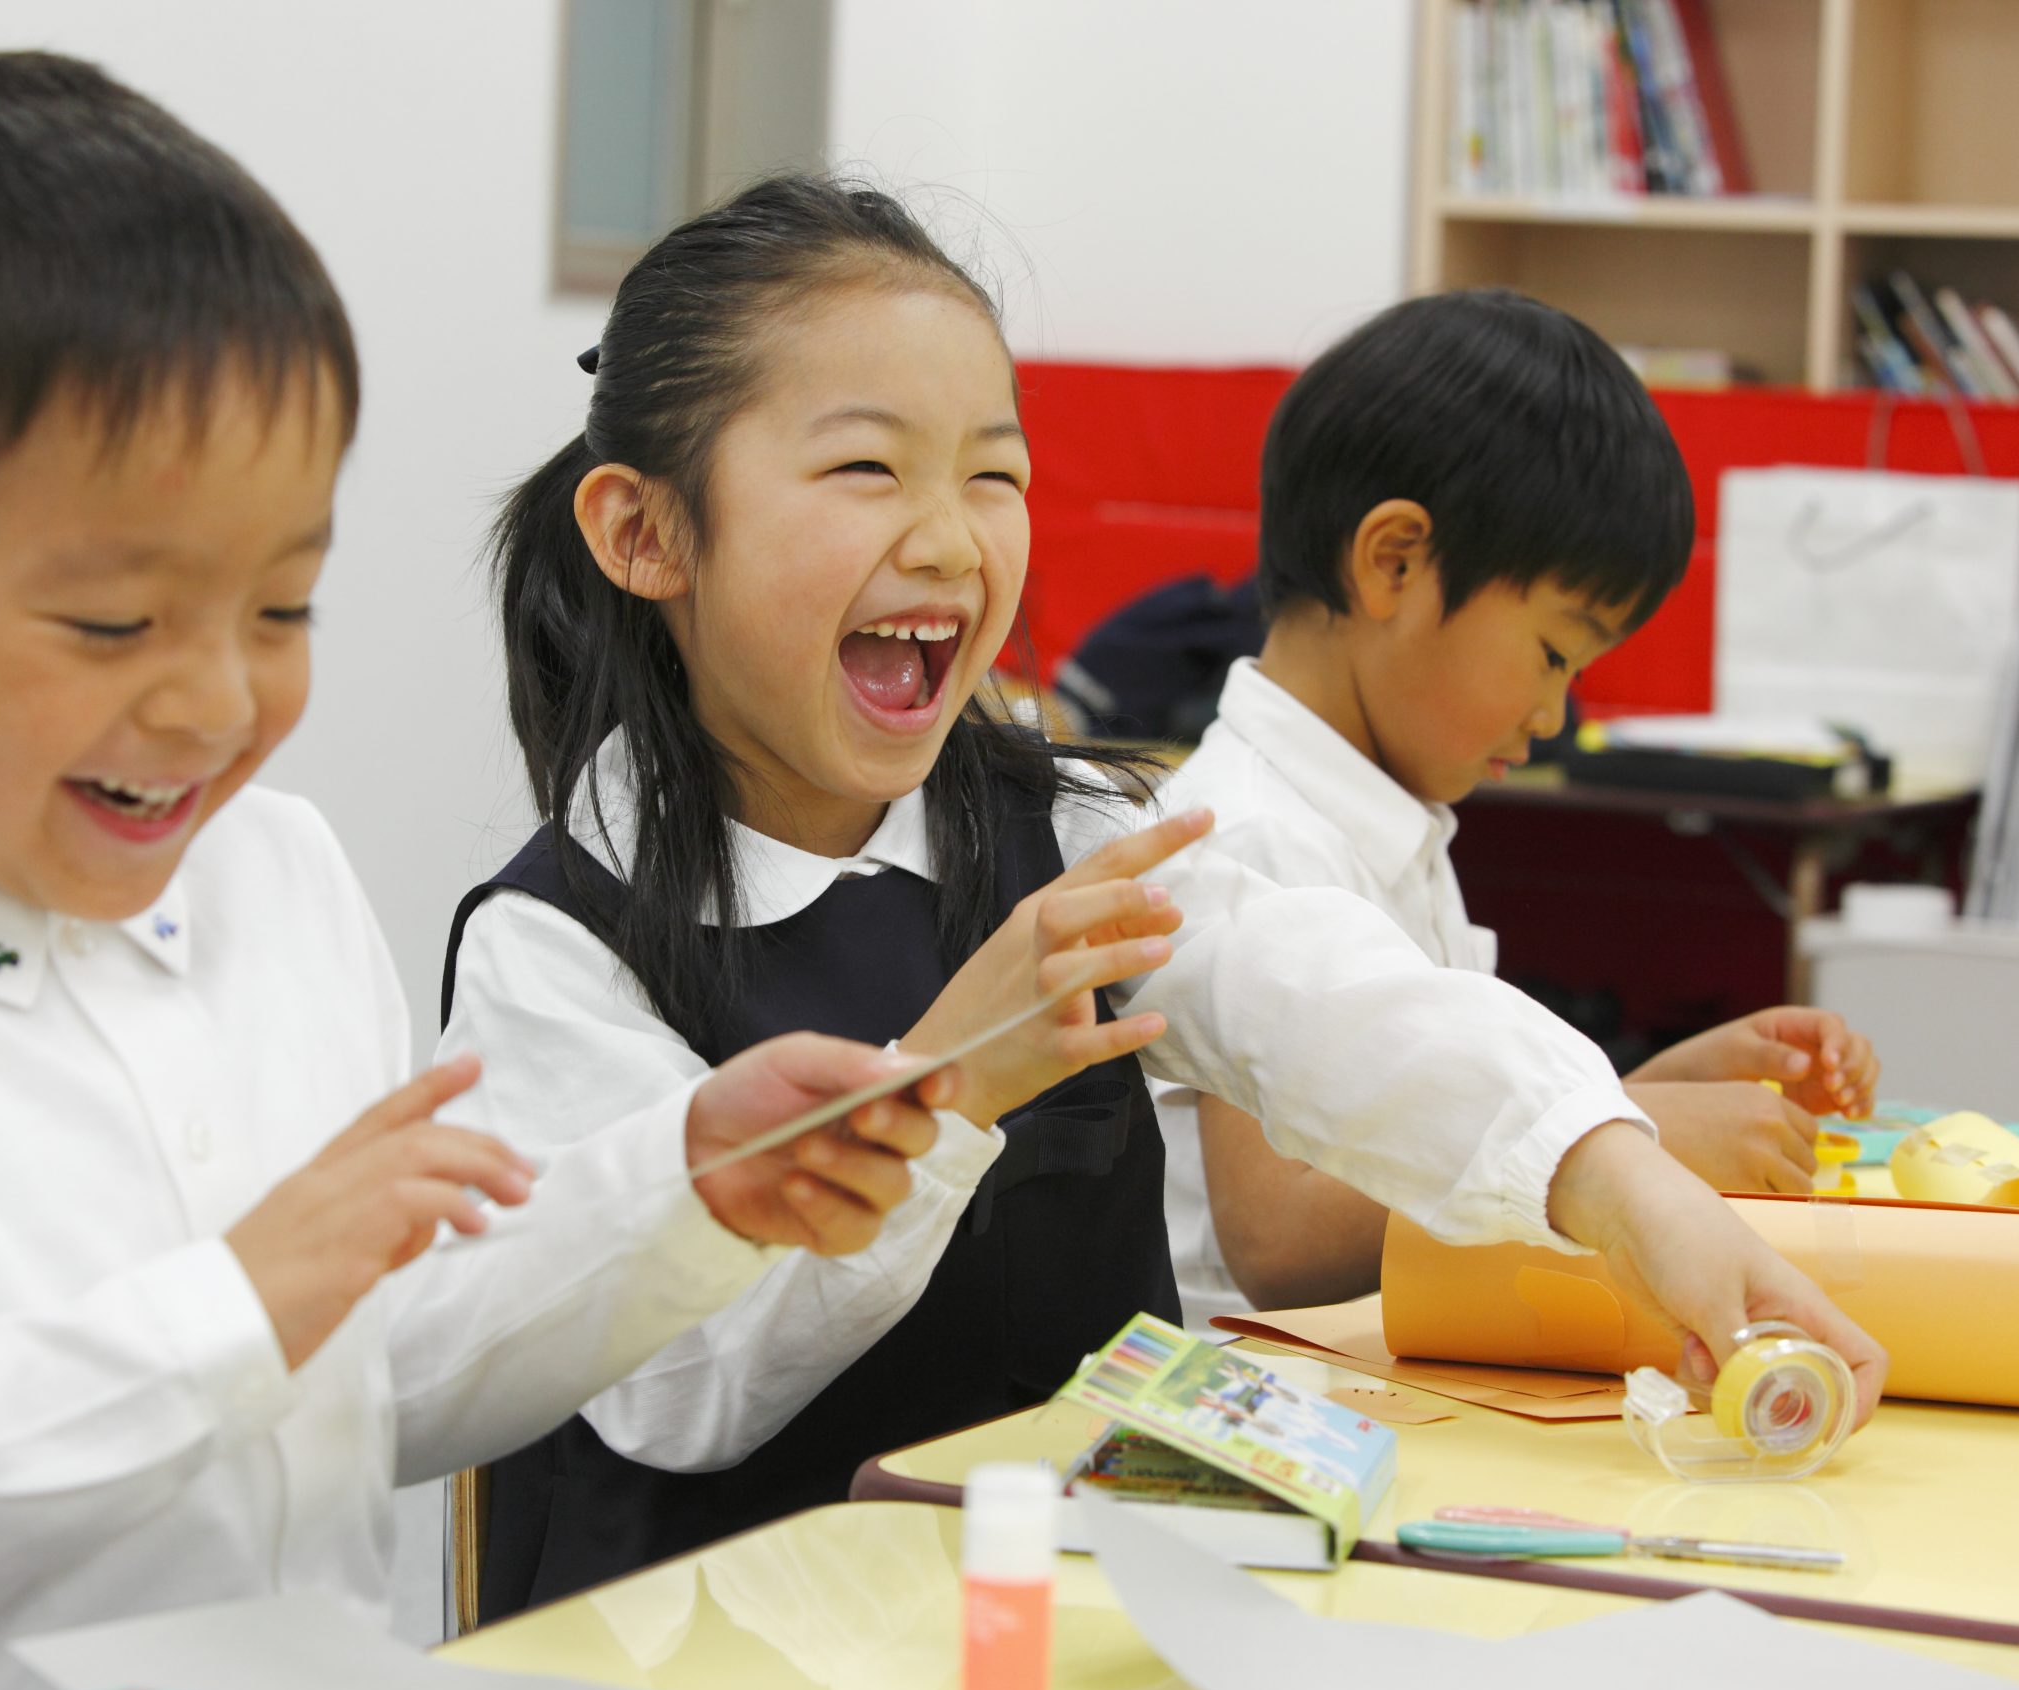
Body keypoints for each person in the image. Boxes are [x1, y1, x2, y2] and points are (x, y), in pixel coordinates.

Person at [0, 56, 966, 1690]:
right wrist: (213, 1314)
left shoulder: (274, 878)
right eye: (113, 622)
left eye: (282, 609)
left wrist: (673, 1191)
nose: (221, 704)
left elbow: (390, 1361)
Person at [440, 175, 1887, 1616]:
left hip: (1063, 1634)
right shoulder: (555, 945)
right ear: (645, 532)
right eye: (870, 470)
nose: (951, 538)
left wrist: (1635, 1193)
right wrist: (943, 1088)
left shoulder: (1079, 832)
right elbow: (682, 1385)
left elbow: (1343, 1006)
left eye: (992, 474)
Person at [1158, 290, 1884, 1326]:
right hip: (1253, 1405)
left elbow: (1417, 1124)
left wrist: (1640, 1089)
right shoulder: (1242, 837)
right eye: (1552, 653)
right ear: (1393, 562)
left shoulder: (1388, 825)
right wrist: (1636, 1126)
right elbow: (1277, 1235)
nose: (1551, 714)